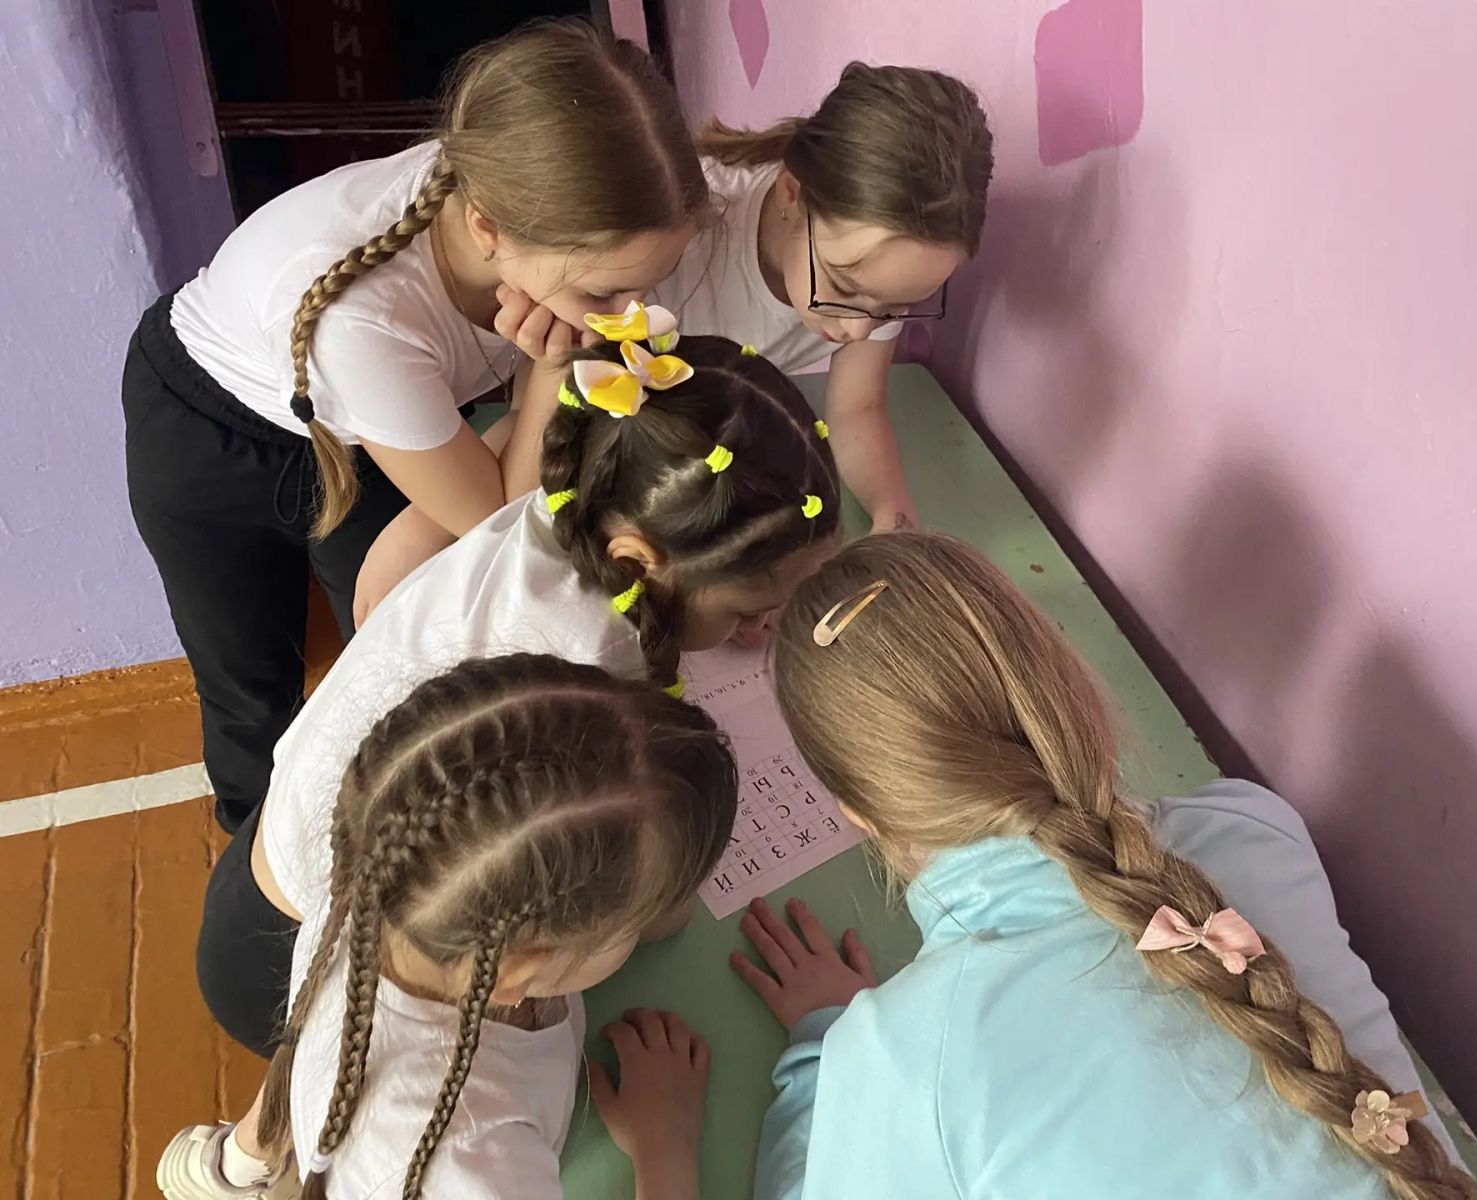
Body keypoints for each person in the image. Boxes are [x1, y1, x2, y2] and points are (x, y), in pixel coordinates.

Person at [735, 532, 1477, 1199]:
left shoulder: (902, 1058)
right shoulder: (1252, 824)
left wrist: (821, 1050)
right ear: (1066, 688)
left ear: (860, 813)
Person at [192, 330, 839, 1068]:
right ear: (640, 562)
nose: (762, 625)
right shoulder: (584, 681)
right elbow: (643, 905)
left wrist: (723, 602)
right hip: (312, 967)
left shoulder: (569, 507)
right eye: (747, 608)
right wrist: (665, 895)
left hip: (271, 862)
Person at [123, 20, 707, 831]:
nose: (630, 315)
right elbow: (498, 517)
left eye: (649, 283)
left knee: (401, 657)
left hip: (378, 420)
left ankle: (402, 829)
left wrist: (548, 372)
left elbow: (485, 509)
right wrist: (549, 368)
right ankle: (258, 857)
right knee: (247, 689)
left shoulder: (510, 185)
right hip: (208, 433)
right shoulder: (365, 320)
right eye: (604, 293)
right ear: (489, 231)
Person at [353, 63, 994, 635]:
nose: (860, 329)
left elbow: (856, 409)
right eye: (844, 290)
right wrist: (428, 525)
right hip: (585, 443)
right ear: (792, 194)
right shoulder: (671, 242)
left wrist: (892, 515)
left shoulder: (871, 264)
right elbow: (559, 406)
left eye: (895, 309)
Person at [157, 653, 735, 1200]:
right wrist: (665, 1145)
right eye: (630, 925)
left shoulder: (388, 889)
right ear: (518, 969)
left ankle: (240, 1161)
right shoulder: (470, 1166)